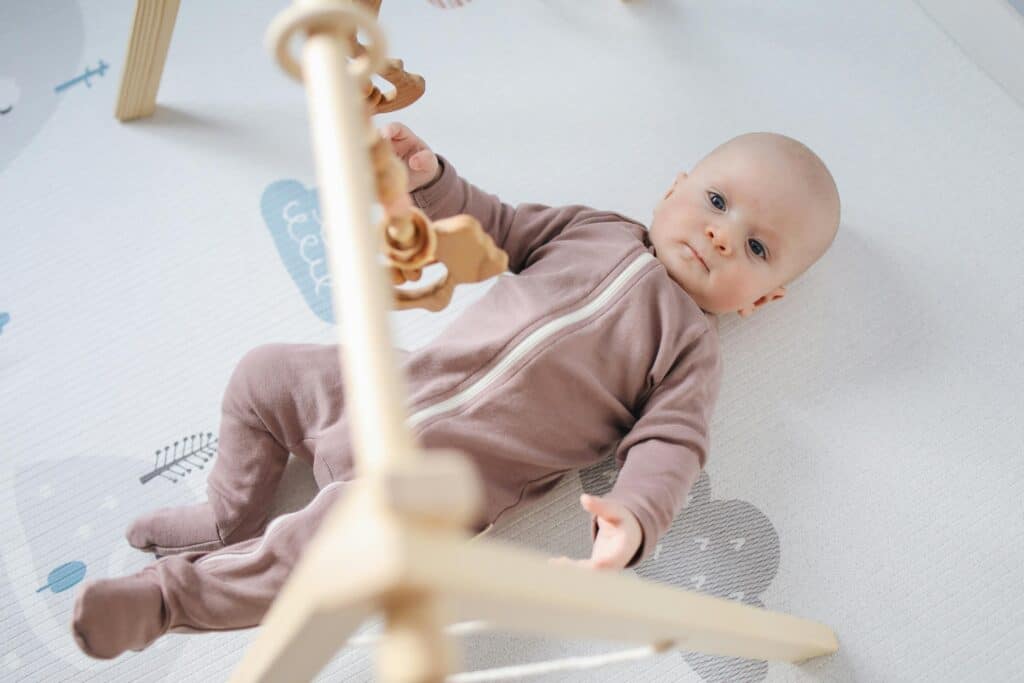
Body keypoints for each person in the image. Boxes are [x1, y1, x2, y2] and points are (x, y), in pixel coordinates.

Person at [71, 123, 840, 659]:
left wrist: (632, 519)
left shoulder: (688, 351)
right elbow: (498, 225)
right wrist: (433, 181)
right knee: (263, 372)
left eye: (757, 246)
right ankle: (226, 512)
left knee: (329, 543)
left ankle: (168, 600)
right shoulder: (595, 228)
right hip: (380, 391)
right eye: (716, 202)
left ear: (760, 299)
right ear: (675, 188)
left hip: (435, 486)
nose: (720, 235)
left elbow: (670, 444)